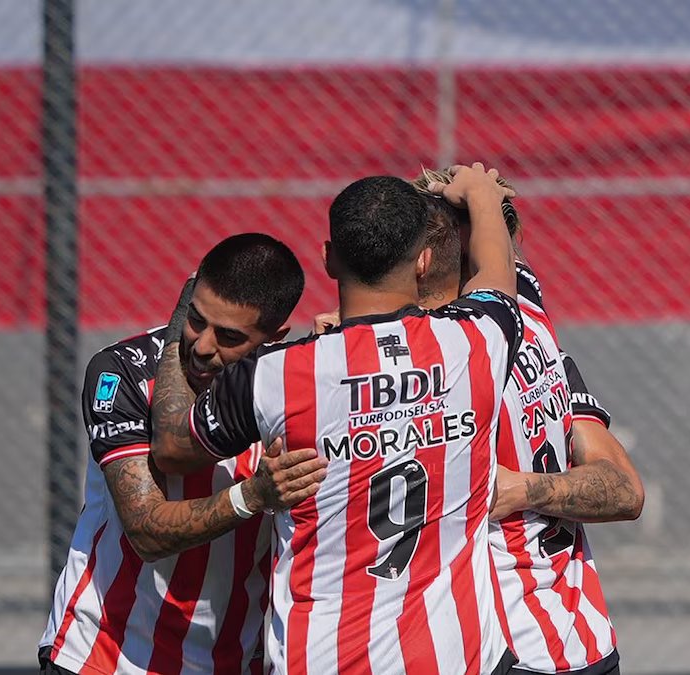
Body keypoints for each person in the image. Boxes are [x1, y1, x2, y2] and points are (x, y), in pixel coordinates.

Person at [149, 166, 521, 674]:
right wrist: (480, 191)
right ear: (423, 261)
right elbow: (497, 272)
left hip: (321, 656)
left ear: (328, 259)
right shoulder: (477, 341)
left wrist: (182, 323)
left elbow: (172, 447)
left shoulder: (275, 375)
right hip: (456, 656)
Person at [40, 233, 327, 674]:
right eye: (196, 319)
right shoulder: (123, 372)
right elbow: (146, 531)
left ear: (275, 337)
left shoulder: (293, 382)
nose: (203, 346)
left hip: (228, 662)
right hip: (105, 657)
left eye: (229, 336)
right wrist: (253, 496)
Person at [408, 168, 644, 675]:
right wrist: (482, 196)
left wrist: (523, 489)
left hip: (502, 649)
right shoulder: (532, 318)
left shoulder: (438, 359)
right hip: (585, 644)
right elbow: (625, 491)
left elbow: (626, 491)